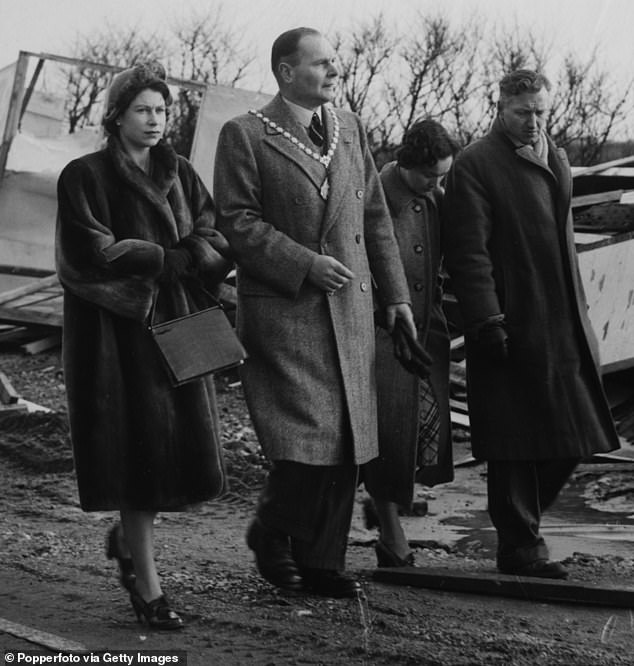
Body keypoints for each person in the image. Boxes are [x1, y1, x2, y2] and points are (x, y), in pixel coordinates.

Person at [213, 27, 416, 598]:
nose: (334, 72)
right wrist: (304, 263)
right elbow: (237, 220)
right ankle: (272, 529)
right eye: (322, 64)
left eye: (335, 63)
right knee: (308, 437)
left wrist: (396, 297)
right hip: (287, 310)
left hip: (349, 309)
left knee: (347, 441)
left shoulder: (348, 128)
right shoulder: (245, 134)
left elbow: (374, 216)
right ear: (285, 71)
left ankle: (321, 562)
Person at [56, 62, 233, 628]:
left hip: (179, 324)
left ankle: (131, 545)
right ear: (116, 116)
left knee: (170, 455)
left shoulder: (179, 171)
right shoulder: (84, 175)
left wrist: (194, 256)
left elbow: (213, 231)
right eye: (143, 110)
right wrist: (161, 259)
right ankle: (150, 591)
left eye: (162, 110)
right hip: (116, 336)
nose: (155, 120)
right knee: (138, 456)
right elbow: (88, 253)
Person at [442, 69, 619, 579]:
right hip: (512, 322)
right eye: (523, 112)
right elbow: (468, 253)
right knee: (515, 440)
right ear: (500, 105)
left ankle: (519, 530)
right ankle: (520, 548)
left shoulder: (556, 154)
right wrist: (487, 319)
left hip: (561, 316)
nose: (533, 121)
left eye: (541, 111)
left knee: (576, 431)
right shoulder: (476, 164)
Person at [364, 119, 460, 567]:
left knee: (422, 435)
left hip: (427, 333)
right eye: (429, 175)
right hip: (381, 337)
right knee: (387, 435)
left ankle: (387, 512)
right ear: (406, 163)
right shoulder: (375, 195)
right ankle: (390, 531)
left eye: (442, 176)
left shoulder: (436, 200)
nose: (436, 184)